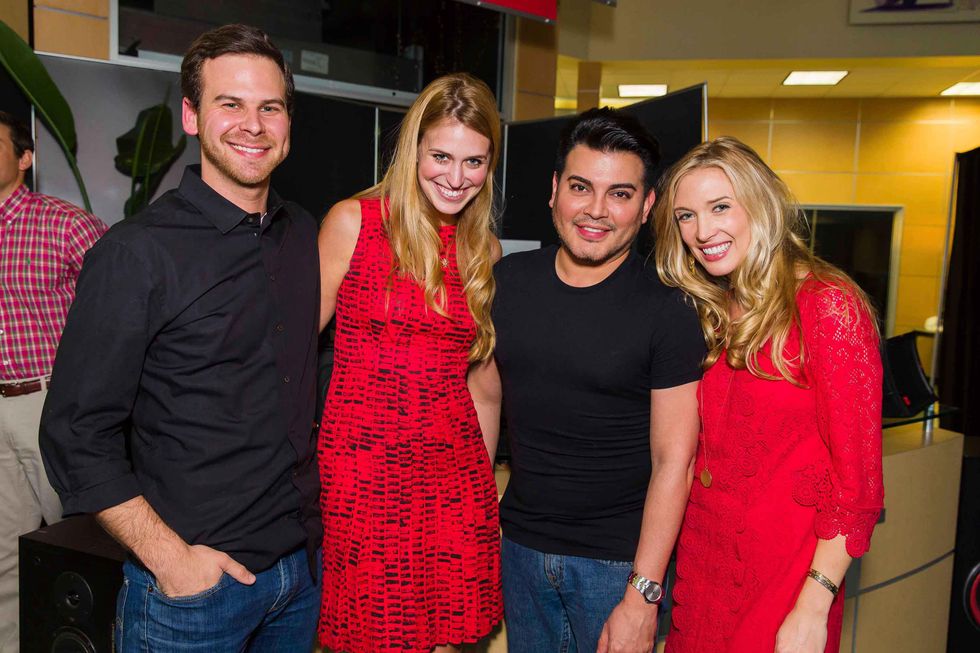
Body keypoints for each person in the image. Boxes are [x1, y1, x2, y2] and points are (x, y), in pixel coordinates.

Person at [40, 24, 322, 650]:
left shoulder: (303, 234)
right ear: (192, 117)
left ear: (288, 122)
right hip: (194, 595)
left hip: (298, 580)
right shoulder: (136, 253)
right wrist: (171, 561)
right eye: (231, 104)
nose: (253, 124)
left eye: (269, 107)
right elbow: (74, 433)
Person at [467, 107, 706, 653]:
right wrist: (479, 523)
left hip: (617, 566)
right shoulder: (508, 282)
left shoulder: (669, 308)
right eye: (581, 187)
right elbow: (483, 398)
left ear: (646, 207)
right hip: (519, 550)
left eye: (620, 194)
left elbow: (677, 461)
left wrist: (643, 596)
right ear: (554, 190)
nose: (596, 211)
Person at [653, 137, 885, 653]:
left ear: (761, 204)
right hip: (704, 568)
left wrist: (813, 605)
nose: (701, 231)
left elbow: (859, 488)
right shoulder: (715, 305)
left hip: (787, 580)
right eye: (686, 216)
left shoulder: (828, 306)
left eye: (719, 207)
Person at [316, 72, 503, 653]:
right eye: (441, 156)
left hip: (454, 473)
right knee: (370, 636)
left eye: (473, 162)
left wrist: (484, 489)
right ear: (413, 150)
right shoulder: (354, 222)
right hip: (362, 469)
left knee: (445, 639)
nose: (455, 177)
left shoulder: (483, 249)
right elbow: (289, 352)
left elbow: (482, 385)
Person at [0, 110, 106, 653]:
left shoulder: (66, 223)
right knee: (3, 556)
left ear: (25, 157)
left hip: (49, 402)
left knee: (84, 540)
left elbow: (118, 310)